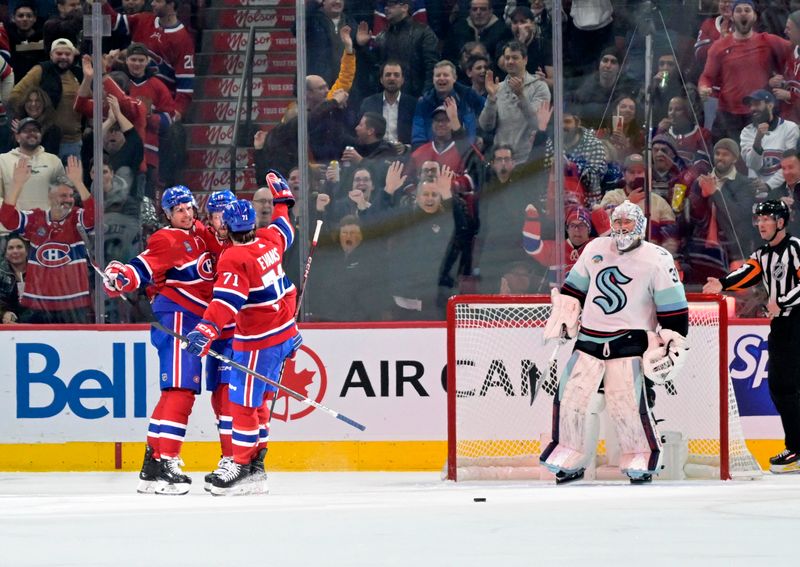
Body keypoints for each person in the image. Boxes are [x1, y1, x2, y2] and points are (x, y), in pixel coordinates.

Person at [540, 200, 690, 484]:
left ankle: (640, 457)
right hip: (589, 340)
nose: (621, 228)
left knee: (628, 404)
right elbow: (574, 290)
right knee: (572, 397)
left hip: (631, 342)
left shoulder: (657, 258)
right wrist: (565, 314)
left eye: (627, 223)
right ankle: (569, 454)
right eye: (617, 222)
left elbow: (674, 310)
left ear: (641, 226)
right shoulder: (595, 248)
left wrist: (673, 340)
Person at [185, 172, 301, 496]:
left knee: (242, 406)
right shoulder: (268, 240)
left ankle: (242, 465)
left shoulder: (234, 257)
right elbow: (284, 227)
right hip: (281, 337)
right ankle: (257, 469)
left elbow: (226, 303)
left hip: (257, 343)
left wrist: (205, 330)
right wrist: (282, 201)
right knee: (261, 404)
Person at [102, 185, 218, 495]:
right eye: (179, 209)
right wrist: (123, 275)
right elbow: (145, 265)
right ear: (167, 213)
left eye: (189, 207)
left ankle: (152, 466)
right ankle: (168, 461)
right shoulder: (167, 238)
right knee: (180, 391)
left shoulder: (200, 232)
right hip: (179, 320)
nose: (186, 213)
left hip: (194, 320)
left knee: (173, 393)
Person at [703, 200, 800, 474]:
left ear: (781, 222)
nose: (761, 224)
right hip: (781, 326)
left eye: (767, 219)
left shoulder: (795, 249)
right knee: (782, 388)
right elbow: (748, 273)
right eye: (759, 219)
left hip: (796, 321)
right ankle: (796, 447)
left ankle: (796, 448)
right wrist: (721, 283)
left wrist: (781, 301)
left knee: (787, 387)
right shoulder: (763, 254)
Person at [0, 155, 94, 324]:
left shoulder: (76, 218)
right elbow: (7, 219)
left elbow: (94, 217)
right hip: (39, 303)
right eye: (63, 195)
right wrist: (17, 185)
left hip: (74, 303)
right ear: (50, 196)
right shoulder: (36, 219)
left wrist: (79, 183)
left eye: (71, 196)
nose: (68, 200)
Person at [199, 189, 238, 492]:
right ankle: (229, 456)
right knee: (217, 398)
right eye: (217, 214)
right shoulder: (203, 239)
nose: (223, 220)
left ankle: (237, 459)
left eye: (227, 213)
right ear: (209, 218)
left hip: (240, 331)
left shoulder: (247, 239)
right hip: (215, 331)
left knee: (230, 397)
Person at [479, 40, 550, 163]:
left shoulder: (539, 87)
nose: (510, 61)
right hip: (500, 160)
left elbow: (538, 124)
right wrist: (491, 99)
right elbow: (486, 126)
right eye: (507, 58)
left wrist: (521, 95)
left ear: (525, 60)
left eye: (515, 58)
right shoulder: (497, 88)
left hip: (529, 161)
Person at [0, 233, 28, 324]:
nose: (15, 251)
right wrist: (4, 314)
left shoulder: (38, 273)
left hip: (35, 324)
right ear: (6, 254)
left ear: (27, 251)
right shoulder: (1, 273)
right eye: (10, 248)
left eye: (19, 247)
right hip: (7, 325)